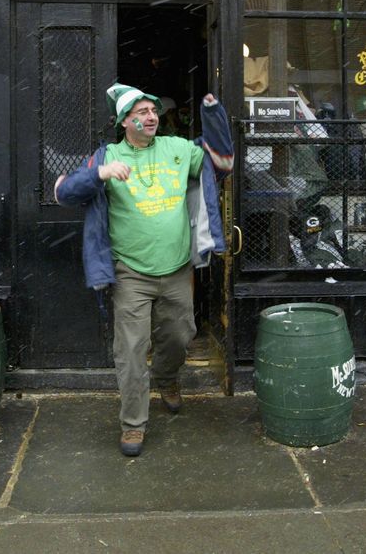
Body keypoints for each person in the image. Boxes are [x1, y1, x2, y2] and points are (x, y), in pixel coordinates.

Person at [54, 83, 234, 457]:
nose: (151, 116)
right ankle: (133, 424)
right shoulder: (108, 155)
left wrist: (213, 116)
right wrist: (99, 174)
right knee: (132, 350)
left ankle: (167, 377)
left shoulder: (179, 149)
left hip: (177, 269)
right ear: (124, 121)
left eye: (152, 110)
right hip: (131, 273)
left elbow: (222, 163)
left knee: (181, 335)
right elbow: (64, 192)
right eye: (141, 112)